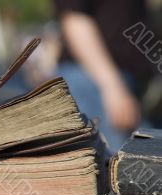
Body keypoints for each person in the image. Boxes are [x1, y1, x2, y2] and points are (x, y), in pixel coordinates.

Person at [53, 0, 157, 152]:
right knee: (115, 166)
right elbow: (75, 18)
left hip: (121, 82)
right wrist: (112, 87)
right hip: (93, 81)